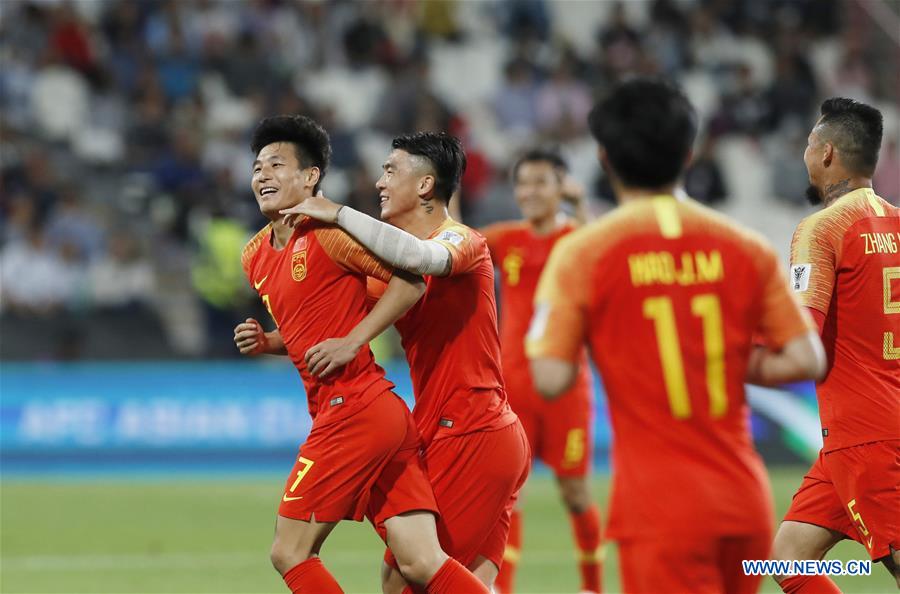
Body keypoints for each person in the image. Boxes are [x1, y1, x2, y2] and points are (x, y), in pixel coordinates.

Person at [526, 78, 826, 594]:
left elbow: (549, 377)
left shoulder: (584, 253)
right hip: (743, 499)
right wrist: (732, 361)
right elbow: (805, 359)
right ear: (689, 153)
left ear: (604, 158)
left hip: (659, 507)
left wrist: (612, 339)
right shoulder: (743, 246)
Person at [233, 115, 490, 594]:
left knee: (289, 551)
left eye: (276, 164)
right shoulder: (254, 255)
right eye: (256, 168)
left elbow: (411, 281)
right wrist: (270, 341)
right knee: (420, 560)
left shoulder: (331, 234)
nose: (262, 175)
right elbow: (314, 323)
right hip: (380, 416)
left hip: (352, 409)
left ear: (310, 177)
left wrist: (355, 341)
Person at [279, 131, 530, 593]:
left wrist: (337, 212)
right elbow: (339, 314)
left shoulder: (462, 240)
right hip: (444, 427)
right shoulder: (392, 268)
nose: (379, 182)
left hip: (473, 428)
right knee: (419, 578)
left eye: (391, 170)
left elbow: (422, 258)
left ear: (425, 186)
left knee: (414, 572)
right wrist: (275, 339)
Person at [771, 97, 900, 593]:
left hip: (866, 437)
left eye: (808, 145)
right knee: (789, 558)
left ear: (826, 155)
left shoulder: (820, 230)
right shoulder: (893, 221)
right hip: (856, 436)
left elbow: (802, 331)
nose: (804, 155)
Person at [479, 149, 601, 594]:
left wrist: (582, 206)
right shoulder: (506, 238)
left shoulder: (576, 237)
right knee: (511, 496)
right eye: (523, 183)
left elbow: (603, 252)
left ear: (561, 187)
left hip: (566, 386)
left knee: (575, 493)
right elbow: (453, 241)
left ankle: (592, 586)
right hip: (514, 386)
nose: (529, 192)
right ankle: (501, 588)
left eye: (540, 182)